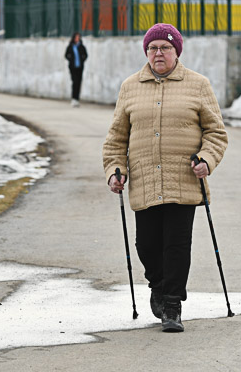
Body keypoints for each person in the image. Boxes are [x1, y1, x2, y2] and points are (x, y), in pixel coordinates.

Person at [102, 23, 228, 333]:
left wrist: (207, 160)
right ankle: (157, 285)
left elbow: (216, 132)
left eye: (166, 47)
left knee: (176, 244)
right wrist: (115, 171)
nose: (159, 53)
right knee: (146, 244)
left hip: (183, 179)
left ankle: (172, 304)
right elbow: (117, 137)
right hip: (145, 180)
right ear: (146, 52)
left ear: (177, 52)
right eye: (153, 48)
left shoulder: (198, 85)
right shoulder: (130, 87)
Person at [64, 33, 88, 107]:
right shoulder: (71, 46)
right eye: (76, 37)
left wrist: (82, 59)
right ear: (74, 38)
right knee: (74, 82)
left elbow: (86, 55)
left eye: (78, 37)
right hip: (72, 67)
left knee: (78, 82)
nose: (77, 39)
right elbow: (66, 55)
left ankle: (77, 99)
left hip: (80, 67)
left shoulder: (81, 46)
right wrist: (70, 59)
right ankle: (73, 99)